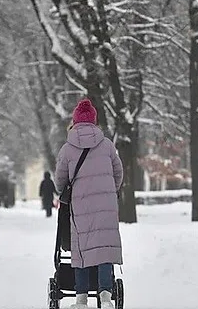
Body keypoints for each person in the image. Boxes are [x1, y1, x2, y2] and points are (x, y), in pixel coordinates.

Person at [55, 98, 123, 309]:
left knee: (81, 249)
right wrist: (109, 190)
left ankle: (81, 299)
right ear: (94, 122)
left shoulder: (67, 149)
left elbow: (60, 181)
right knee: (103, 248)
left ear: (75, 122)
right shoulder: (107, 145)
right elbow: (118, 174)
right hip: (106, 205)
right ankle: (105, 295)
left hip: (80, 207)